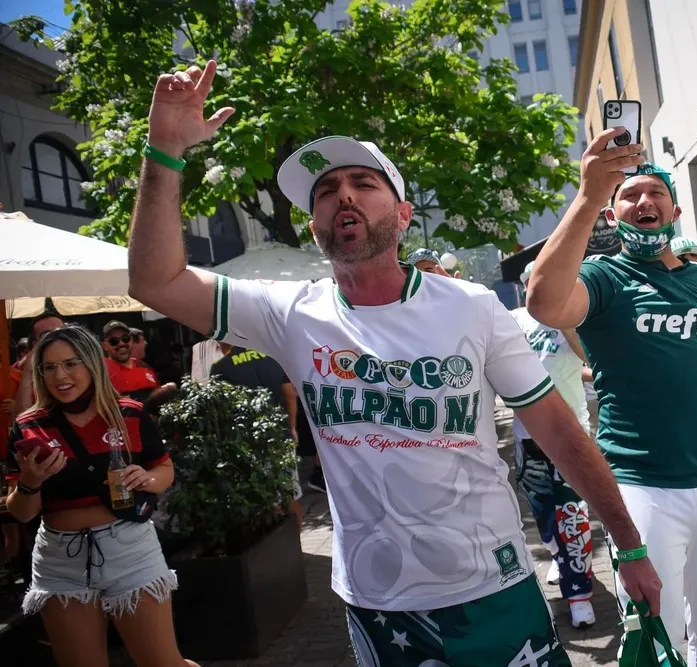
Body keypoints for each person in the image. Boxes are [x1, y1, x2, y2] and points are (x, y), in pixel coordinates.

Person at [126, 60, 660, 665]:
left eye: (363, 182)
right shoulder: (288, 311)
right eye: (326, 191)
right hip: (378, 601)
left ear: (403, 215)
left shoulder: (473, 305)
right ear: (315, 225)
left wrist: (629, 544)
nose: (343, 195)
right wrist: (165, 149)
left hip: (493, 585)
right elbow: (156, 279)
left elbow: (561, 431)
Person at [527, 128, 697, 666]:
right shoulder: (603, 278)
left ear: (675, 212)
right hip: (643, 492)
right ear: (612, 216)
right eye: (628, 194)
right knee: (657, 638)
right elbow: (543, 302)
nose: (643, 201)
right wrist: (587, 194)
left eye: (654, 193)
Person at [4, 325, 195, 667]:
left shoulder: (130, 414)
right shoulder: (28, 426)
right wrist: (31, 482)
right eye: (48, 367)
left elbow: (165, 470)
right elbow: (21, 512)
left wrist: (147, 478)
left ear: (92, 363)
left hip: (130, 550)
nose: (59, 375)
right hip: (59, 559)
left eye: (70, 364)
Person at [511, 260, 596, 629]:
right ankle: (560, 558)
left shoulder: (573, 320)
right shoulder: (513, 321)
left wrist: (566, 321)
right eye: (534, 283)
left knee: (573, 514)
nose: (541, 288)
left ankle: (579, 595)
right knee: (544, 515)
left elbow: (592, 359)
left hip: (570, 434)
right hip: (526, 437)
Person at [210, 343, 303, 528]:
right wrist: (291, 427)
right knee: (289, 493)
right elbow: (290, 395)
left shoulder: (221, 366)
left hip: (248, 441)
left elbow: (221, 411)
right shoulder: (273, 356)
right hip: (281, 435)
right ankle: (296, 543)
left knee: (261, 496)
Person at [102, 321, 176, 410]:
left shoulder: (144, 366)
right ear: (105, 346)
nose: (121, 344)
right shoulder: (101, 372)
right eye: (114, 341)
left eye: (125, 338)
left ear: (131, 340)